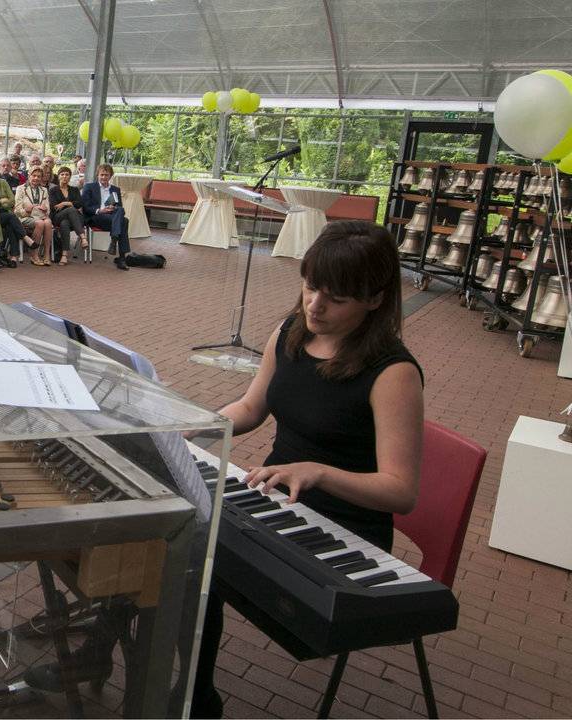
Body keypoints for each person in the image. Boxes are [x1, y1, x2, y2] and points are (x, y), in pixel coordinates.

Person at [188, 221, 423, 717]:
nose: (315, 305)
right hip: (275, 503)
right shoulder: (291, 333)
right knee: (177, 542)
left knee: (197, 561)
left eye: (336, 298)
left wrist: (319, 472)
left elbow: (401, 491)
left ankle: (198, 702)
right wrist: (196, 424)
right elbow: (251, 408)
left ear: (375, 299)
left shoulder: (393, 373)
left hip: (342, 531)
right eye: (311, 286)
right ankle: (132, 667)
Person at [82, 163, 131, 270]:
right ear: (98, 175)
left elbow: (119, 206)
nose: (104, 177)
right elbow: (85, 206)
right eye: (102, 175)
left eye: (106, 175)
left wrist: (112, 208)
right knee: (124, 221)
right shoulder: (89, 187)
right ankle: (121, 257)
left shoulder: (115, 189)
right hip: (96, 217)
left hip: (111, 217)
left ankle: (114, 239)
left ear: (110, 176)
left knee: (120, 211)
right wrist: (100, 210)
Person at [48, 166, 85, 264]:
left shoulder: (75, 190)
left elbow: (79, 203)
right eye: (62, 174)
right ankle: (82, 237)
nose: (64, 176)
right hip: (57, 217)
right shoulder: (53, 190)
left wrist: (65, 203)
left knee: (65, 224)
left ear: (70, 177)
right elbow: (54, 206)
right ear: (58, 176)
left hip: (73, 220)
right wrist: (71, 204)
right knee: (71, 210)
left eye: (67, 174)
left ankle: (64, 255)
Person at [16, 169, 53, 266]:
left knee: (48, 222)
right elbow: (17, 210)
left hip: (41, 216)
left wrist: (45, 209)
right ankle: (34, 254)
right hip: (25, 217)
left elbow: (48, 209)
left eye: (39, 176)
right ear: (29, 176)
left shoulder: (44, 190)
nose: (36, 178)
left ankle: (46, 255)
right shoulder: (21, 189)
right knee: (40, 223)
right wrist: (27, 210)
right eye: (34, 175)